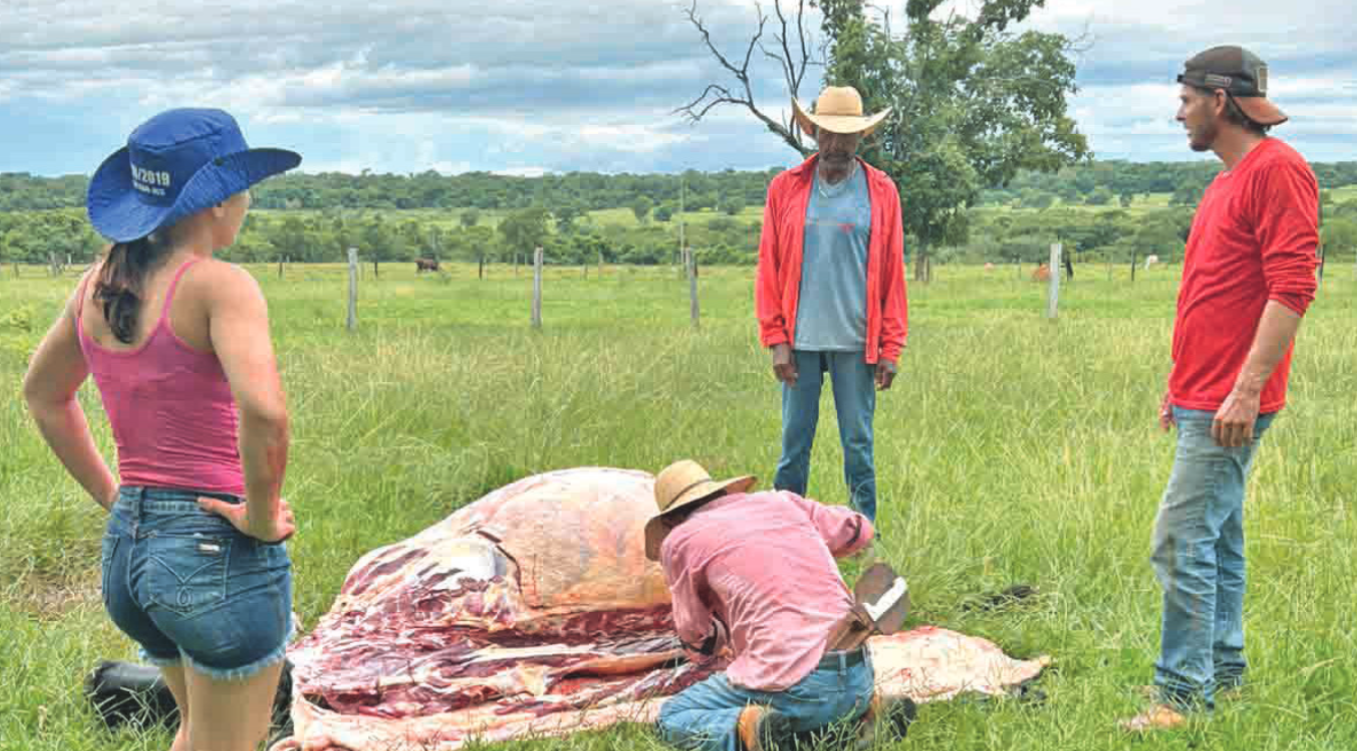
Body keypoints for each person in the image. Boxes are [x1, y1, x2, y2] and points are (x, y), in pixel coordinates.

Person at [22, 108, 302, 751]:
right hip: (212, 558)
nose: (248, 200)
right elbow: (265, 413)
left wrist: (119, 500)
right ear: (217, 201)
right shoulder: (220, 286)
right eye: (242, 186)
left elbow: (44, 396)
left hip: (130, 557)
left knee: (200, 733)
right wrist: (260, 517)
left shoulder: (97, 286)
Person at [1123, 47, 1320, 731]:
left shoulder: (1278, 169)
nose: (1177, 112)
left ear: (1218, 98)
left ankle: (1179, 695)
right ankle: (1224, 677)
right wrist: (1178, 387)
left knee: (1177, 541)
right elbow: (1210, 297)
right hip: (1201, 395)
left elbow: (1292, 287)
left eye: (1184, 100)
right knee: (1218, 540)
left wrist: (1244, 389)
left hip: (1228, 402)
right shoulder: (1224, 182)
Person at [646, 460, 914, 751]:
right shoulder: (781, 502)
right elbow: (859, 531)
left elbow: (697, 637)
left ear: (671, 520)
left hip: (792, 685)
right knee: (818, 696)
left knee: (673, 716)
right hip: (858, 673)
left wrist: (719, 639)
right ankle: (864, 714)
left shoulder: (679, 541)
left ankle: (744, 731)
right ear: (720, 491)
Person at [755, 85, 908, 524]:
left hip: (857, 341)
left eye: (847, 136)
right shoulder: (785, 188)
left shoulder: (881, 191)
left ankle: (864, 532)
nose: (836, 145)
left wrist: (891, 348)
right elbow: (770, 265)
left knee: (858, 444)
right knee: (794, 444)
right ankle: (784, 532)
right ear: (814, 132)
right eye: (827, 134)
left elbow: (893, 275)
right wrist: (777, 339)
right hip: (799, 342)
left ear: (861, 138)